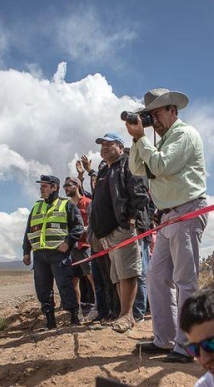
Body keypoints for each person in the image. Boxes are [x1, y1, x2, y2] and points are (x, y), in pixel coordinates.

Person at [127, 88, 208, 364]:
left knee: (185, 281)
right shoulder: (158, 142)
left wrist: (141, 138)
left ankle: (187, 346)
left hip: (186, 211)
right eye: (150, 115)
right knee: (157, 277)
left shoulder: (184, 135)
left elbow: (160, 167)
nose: (154, 120)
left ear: (173, 111)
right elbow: (138, 169)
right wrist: (139, 140)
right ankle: (165, 339)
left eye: (157, 113)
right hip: (167, 216)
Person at [90, 132, 150, 334]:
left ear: (120, 146)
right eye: (102, 145)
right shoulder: (105, 171)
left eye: (109, 144)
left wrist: (130, 218)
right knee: (117, 275)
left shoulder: (127, 164)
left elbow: (140, 193)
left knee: (128, 272)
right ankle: (124, 314)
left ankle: (128, 314)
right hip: (107, 234)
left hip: (122, 228)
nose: (104, 148)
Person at [22, 175, 84, 328]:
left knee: (65, 285)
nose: (41, 189)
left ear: (54, 187)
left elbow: (78, 227)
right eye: (41, 186)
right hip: (40, 255)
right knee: (43, 288)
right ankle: (50, 321)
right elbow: (28, 231)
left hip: (59, 254)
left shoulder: (66, 205)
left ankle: (74, 318)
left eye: (44, 186)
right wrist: (26, 251)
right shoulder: (36, 207)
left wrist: (68, 243)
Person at [63, 176, 95, 316]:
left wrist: (81, 231)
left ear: (76, 186)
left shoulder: (88, 203)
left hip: (85, 245)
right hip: (71, 248)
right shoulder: (66, 206)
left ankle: (100, 307)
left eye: (68, 185)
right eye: (64, 186)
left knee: (91, 276)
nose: (65, 188)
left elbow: (95, 223)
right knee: (73, 279)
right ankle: (77, 311)